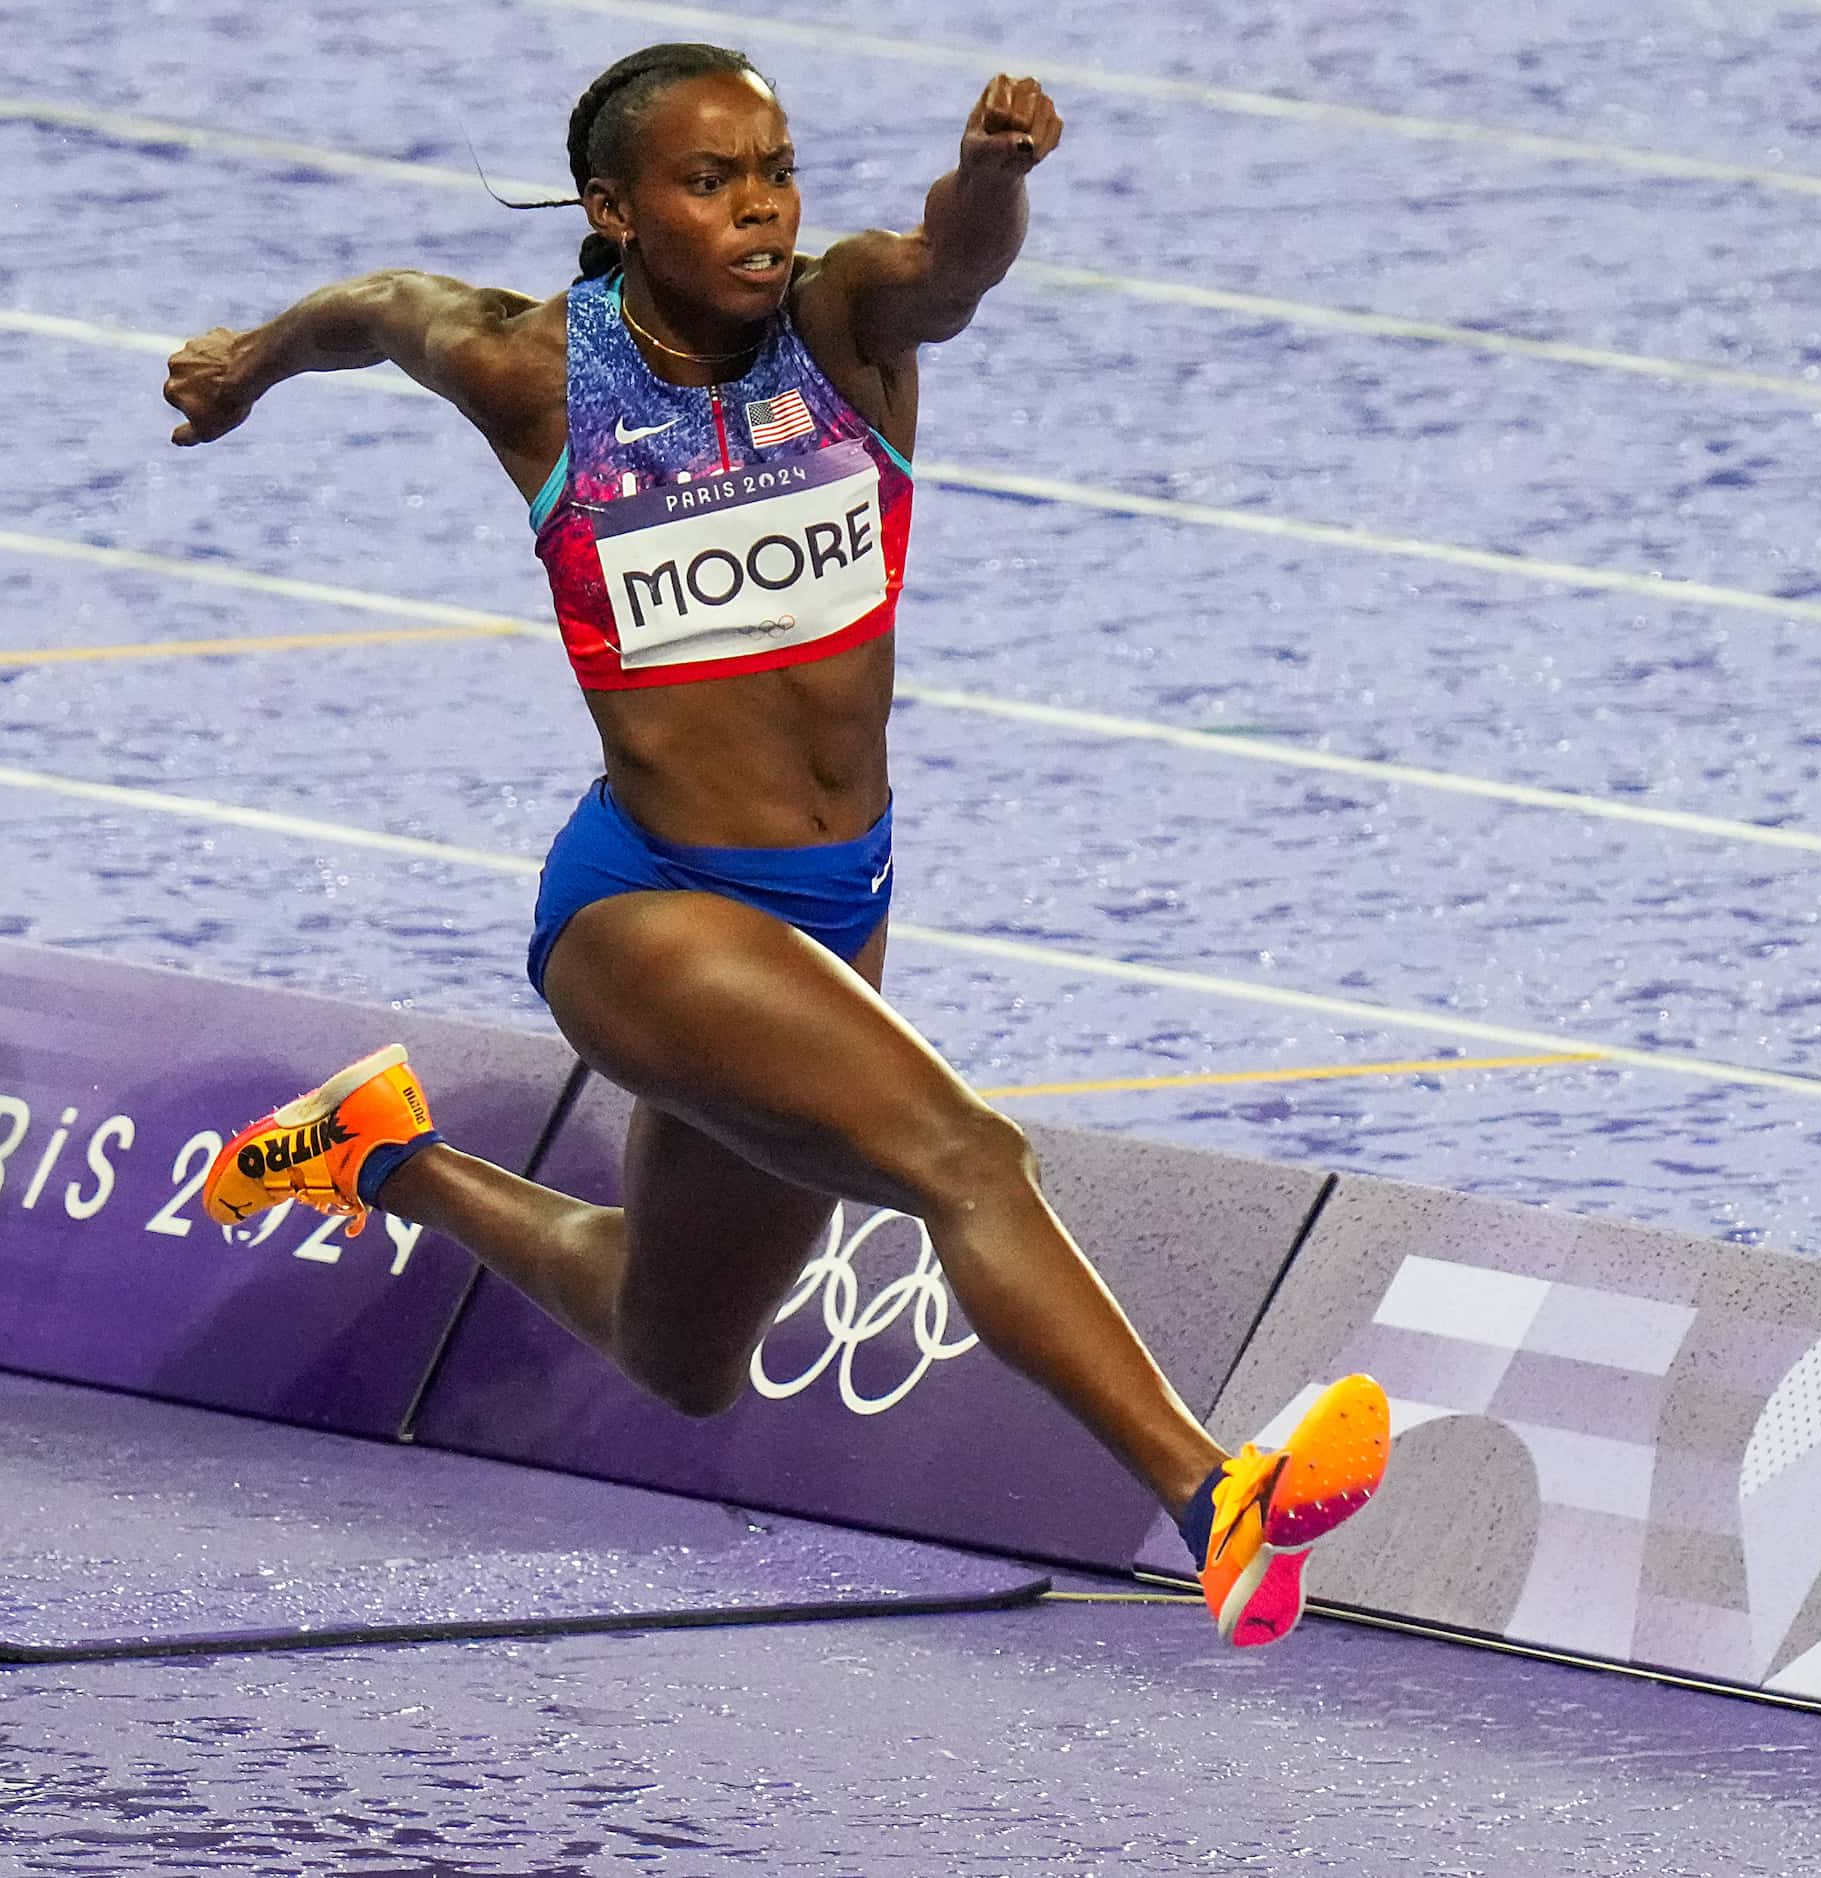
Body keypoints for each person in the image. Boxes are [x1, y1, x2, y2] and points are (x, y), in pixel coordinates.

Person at [162, 40, 1384, 1649]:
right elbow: (386, 305)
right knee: (969, 1158)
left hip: (835, 910)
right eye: (709, 180)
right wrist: (247, 363)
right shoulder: (539, 375)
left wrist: (999, 182)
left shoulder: (846, 326)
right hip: (645, 915)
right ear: (615, 209)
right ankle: (1211, 1491)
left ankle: (386, 1155)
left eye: (777, 171)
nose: (758, 209)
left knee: (678, 1349)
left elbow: (948, 266)